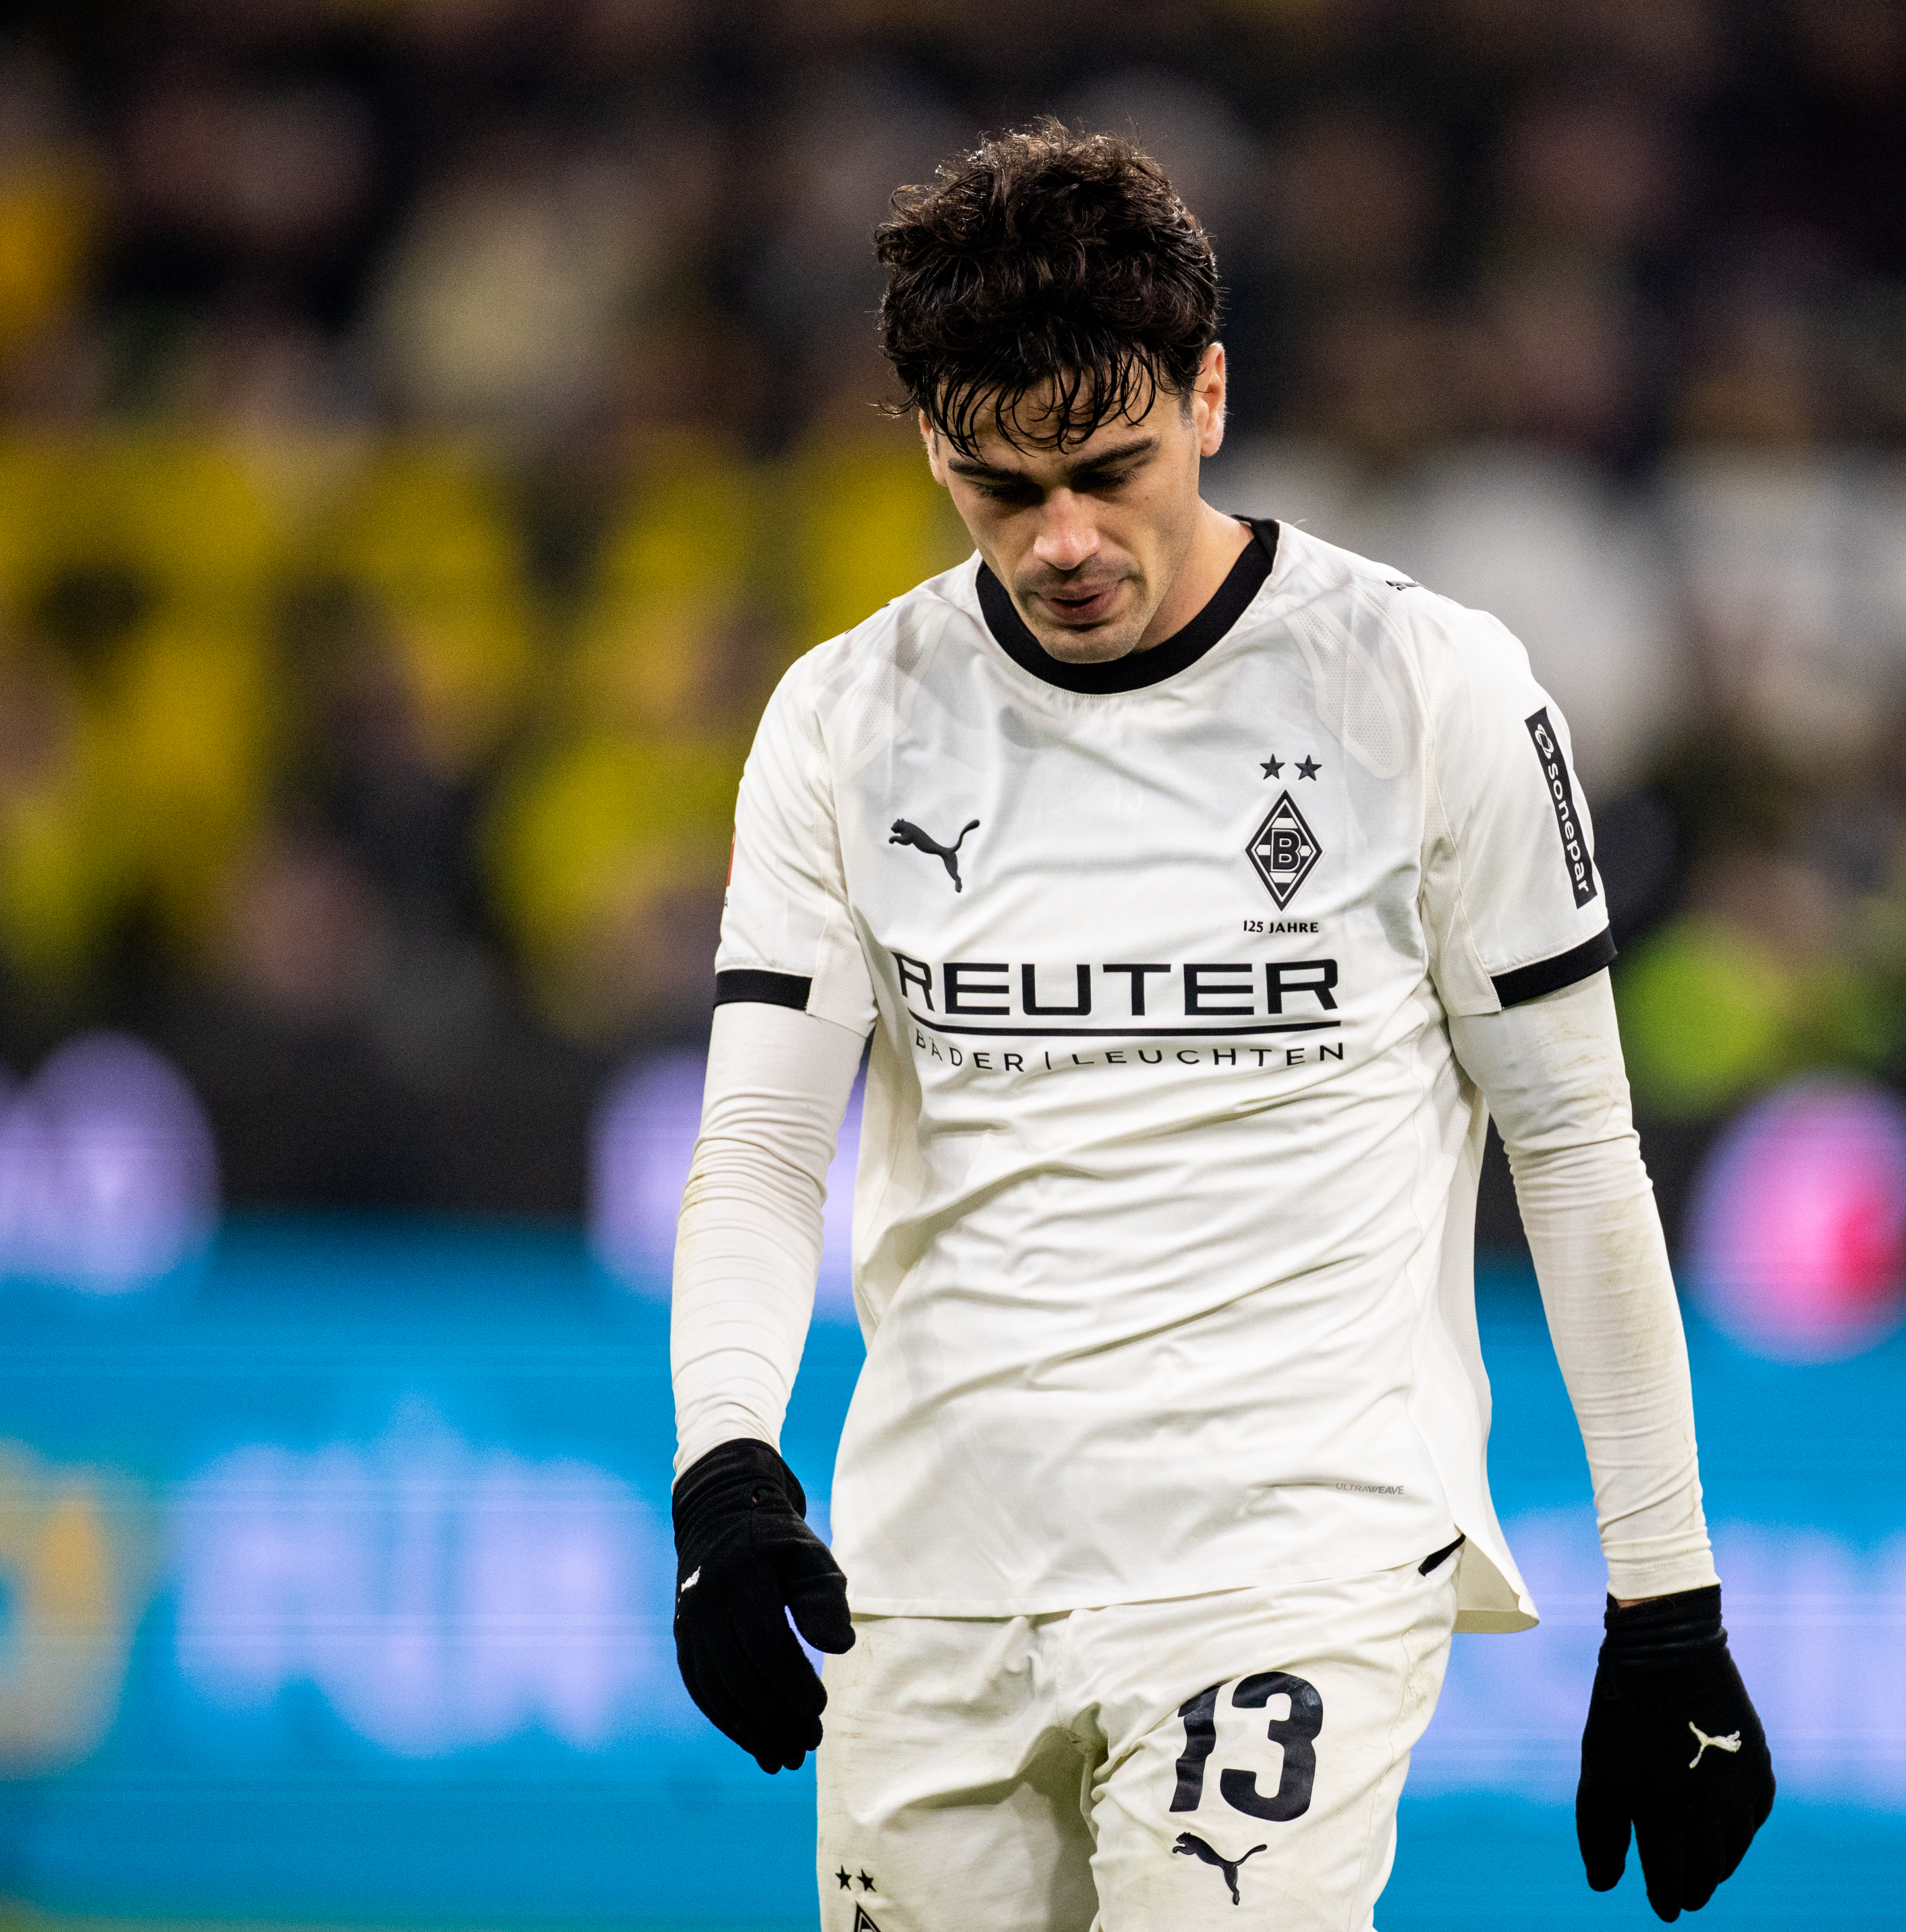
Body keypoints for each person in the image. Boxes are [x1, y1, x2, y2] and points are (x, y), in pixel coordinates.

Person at [666, 123, 1772, 1928]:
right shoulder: (846, 719)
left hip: (1286, 1567)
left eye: (1109, 466)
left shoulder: (1427, 688)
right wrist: (725, 1467)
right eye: (999, 489)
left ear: (1209, 395)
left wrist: (1666, 1602)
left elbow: (1573, 1151)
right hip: (932, 1571)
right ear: (932, 444)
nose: (1065, 541)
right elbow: (765, 1145)